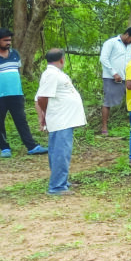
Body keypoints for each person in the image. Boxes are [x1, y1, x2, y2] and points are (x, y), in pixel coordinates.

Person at [34, 49, 86, 195]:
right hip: (60, 119)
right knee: (60, 152)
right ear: (62, 59)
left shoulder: (54, 74)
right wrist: (45, 113)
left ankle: (60, 181)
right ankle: (57, 186)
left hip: (64, 119)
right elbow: (41, 98)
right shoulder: (51, 74)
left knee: (58, 151)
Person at [0, 28, 47, 158]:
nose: (8, 43)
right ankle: (4, 148)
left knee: (21, 120)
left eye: (10, 40)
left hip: (15, 94)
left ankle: (31, 146)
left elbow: (16, 71)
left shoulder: (15, 54)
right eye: (5, 40)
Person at [99, 27, 131, 135]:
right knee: (108, 101)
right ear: (126, 34)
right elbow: (103, 58)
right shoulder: (111, 43)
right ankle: (104, 127)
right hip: (111, 77)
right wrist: (114, 73)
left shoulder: (130, 47)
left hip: (127, 78)